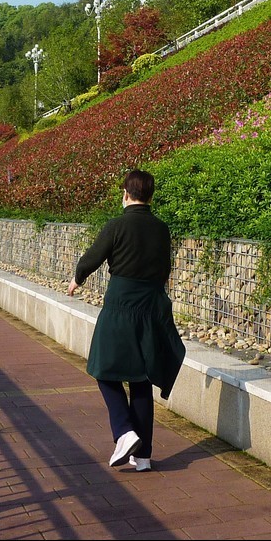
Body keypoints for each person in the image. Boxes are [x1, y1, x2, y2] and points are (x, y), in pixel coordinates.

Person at [67, 169, 185, 472]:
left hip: (121, 305)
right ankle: (143, 457)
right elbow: (164, 267)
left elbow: (93, 257)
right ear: (151, 195)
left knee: (103, 369)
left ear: (125, 193)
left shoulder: (116, 225)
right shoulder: (161, 228)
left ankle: (124, 431)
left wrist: (76, 280)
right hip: (151, 305)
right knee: (140, 379)